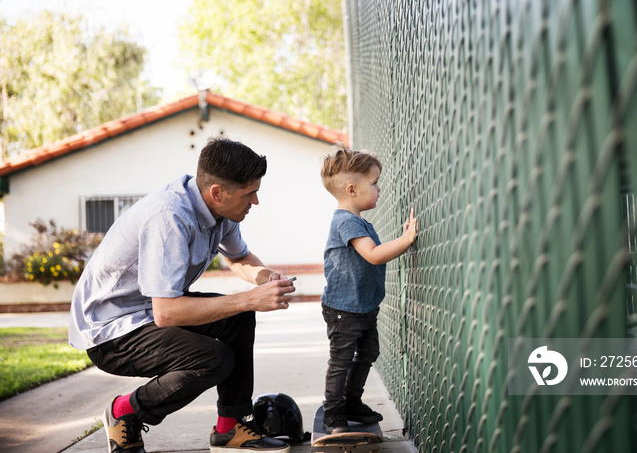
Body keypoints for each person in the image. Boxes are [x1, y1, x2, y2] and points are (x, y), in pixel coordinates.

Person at [69, 137, 295, 453]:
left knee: (239, 317)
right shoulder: (169, 216)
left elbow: (238, 258)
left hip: (149, 312)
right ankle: (125, 412)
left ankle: (230, 428)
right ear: (218, 192)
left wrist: (266, 278)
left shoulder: (221, 212)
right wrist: (249, 298)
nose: (255, 201)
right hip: (112, 332)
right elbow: (168, 313)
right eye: (250, 193)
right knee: (215, 359)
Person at [319, 147, 417, 433]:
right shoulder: (346, 221)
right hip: (344, 309)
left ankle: (351, 401)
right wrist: (406, 239)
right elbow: (373, 254)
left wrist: (402, 238)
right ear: (351, 189)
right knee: (341, 359)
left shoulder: (358, 221)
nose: (379, 189)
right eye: (374, 183)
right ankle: (333, 411)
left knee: (368, 351)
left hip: (362, 306)